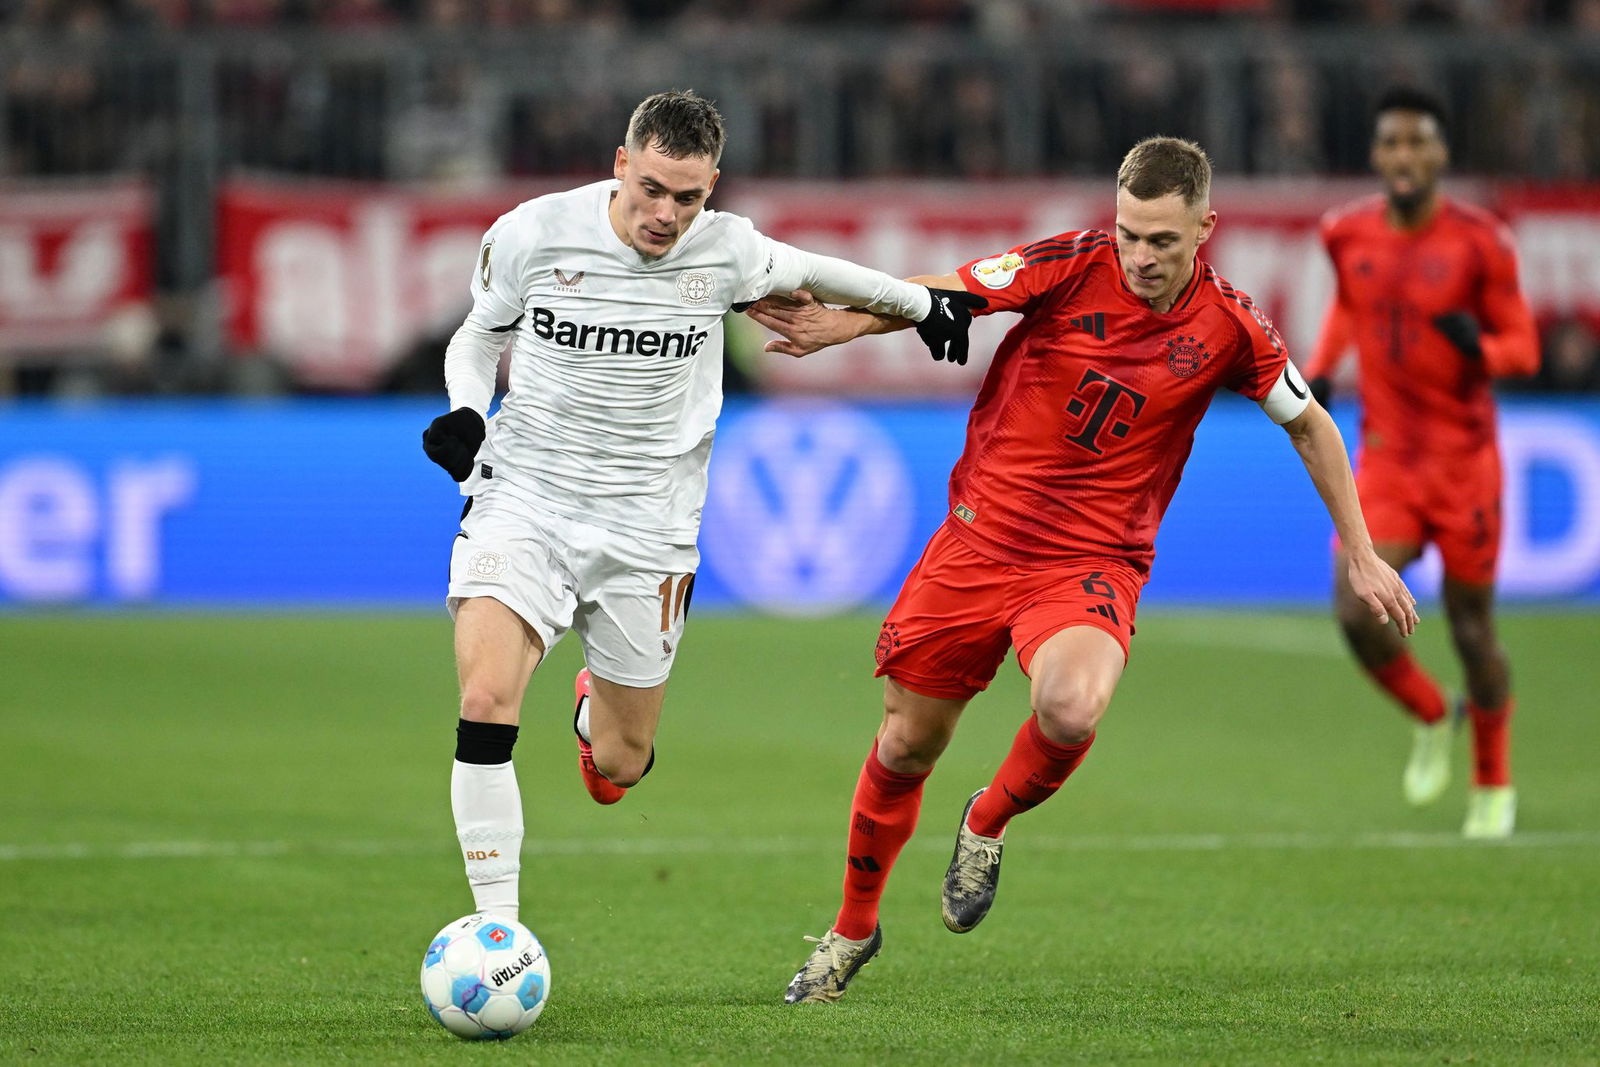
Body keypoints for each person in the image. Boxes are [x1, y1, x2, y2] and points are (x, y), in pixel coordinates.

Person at [748, 136, 1419, 1004]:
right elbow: (945, 298)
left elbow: (1311, 423)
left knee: (1071, 703)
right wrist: (845, 323)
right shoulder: (1068, 261)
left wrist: (1360, 551)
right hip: (980, 539)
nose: (1140, 255)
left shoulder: (1231, 324)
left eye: (1162, 241)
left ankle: (987, 818)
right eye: (1130, 233)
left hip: (1092, 558)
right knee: (908, 743)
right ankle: (852, 930)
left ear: (1205, 229)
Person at [420, 90, 982, 925]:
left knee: (622, 761)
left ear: (712, 185)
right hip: (525, 498)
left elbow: (818, 271)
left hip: (649, 529)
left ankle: (593, 714)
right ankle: (495, 930)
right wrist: (469, 410)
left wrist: (920, 303)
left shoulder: (725, 252)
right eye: (651, 187)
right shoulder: (532, 232)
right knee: (487, 697)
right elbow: (478, 334)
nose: (665, 212)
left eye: (688, 196)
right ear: (621, 164)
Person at [1305, 87, 1539, 840]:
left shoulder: (1481, 242)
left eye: (1418, 143)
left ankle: (1493, 782)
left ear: (1440, 154)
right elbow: (1349, 300)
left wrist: (1484, 349)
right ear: (1377, 156)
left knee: (1473, 628)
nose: (1404, 157)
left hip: (1465, 466)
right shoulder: (1346, 233)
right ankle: (1435, 711)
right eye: (1392, 145)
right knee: (1352, 605)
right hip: (1388, 461)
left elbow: (1525, 348)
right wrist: (1321, 363)